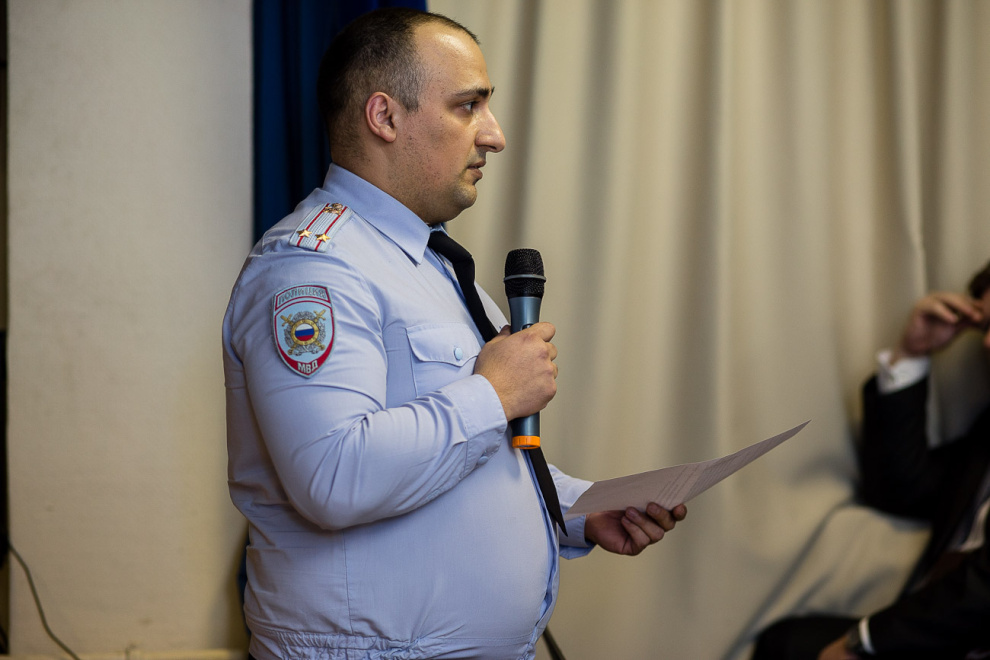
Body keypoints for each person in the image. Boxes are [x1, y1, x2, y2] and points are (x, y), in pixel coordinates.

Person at [222, 8, 686, 660]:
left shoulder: (431, 264)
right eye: (469, 106)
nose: (494, 135)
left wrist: (580, 511)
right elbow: (334, 475)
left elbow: (469, 463)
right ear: (385, 117)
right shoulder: (313, 267)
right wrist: (492, 394)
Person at [751, 260, 990, 660]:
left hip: (962, 632)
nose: (986, 344)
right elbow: (902, 492)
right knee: (786, 643)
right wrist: (911, 353)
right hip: (940, 632)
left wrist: (862, 642)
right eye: (986, 327)